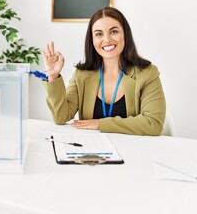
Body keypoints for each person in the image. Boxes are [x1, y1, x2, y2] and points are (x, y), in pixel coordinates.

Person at [42, 7, 166, 135]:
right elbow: (61, 117)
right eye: (99, 34)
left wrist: (100, 124)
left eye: (114, 31)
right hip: (93, 149)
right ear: (92, 40)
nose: (106, 39)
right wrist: (53, 76)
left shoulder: (147, 73)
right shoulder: (82, 74)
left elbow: (153, 124)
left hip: (133, 150)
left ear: (125, 34)